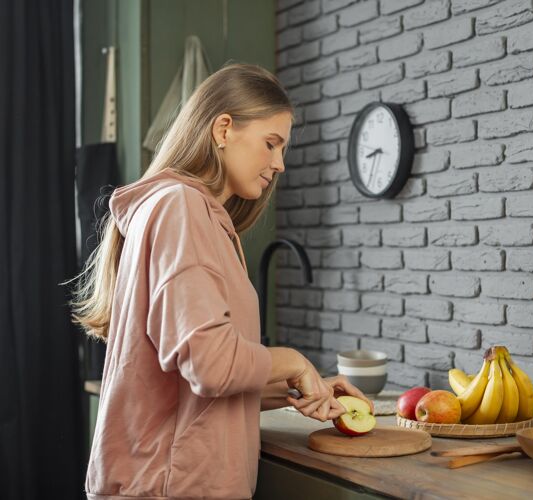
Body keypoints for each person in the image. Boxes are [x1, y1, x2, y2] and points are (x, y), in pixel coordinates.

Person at [70, 62, 373, 500]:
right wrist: (293, 362)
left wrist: (300, 388)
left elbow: (194, 384)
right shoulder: (182, 208)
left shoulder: (185, 212)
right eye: (271, 144)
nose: (280, 164)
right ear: (224, 129)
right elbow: (211, 365)